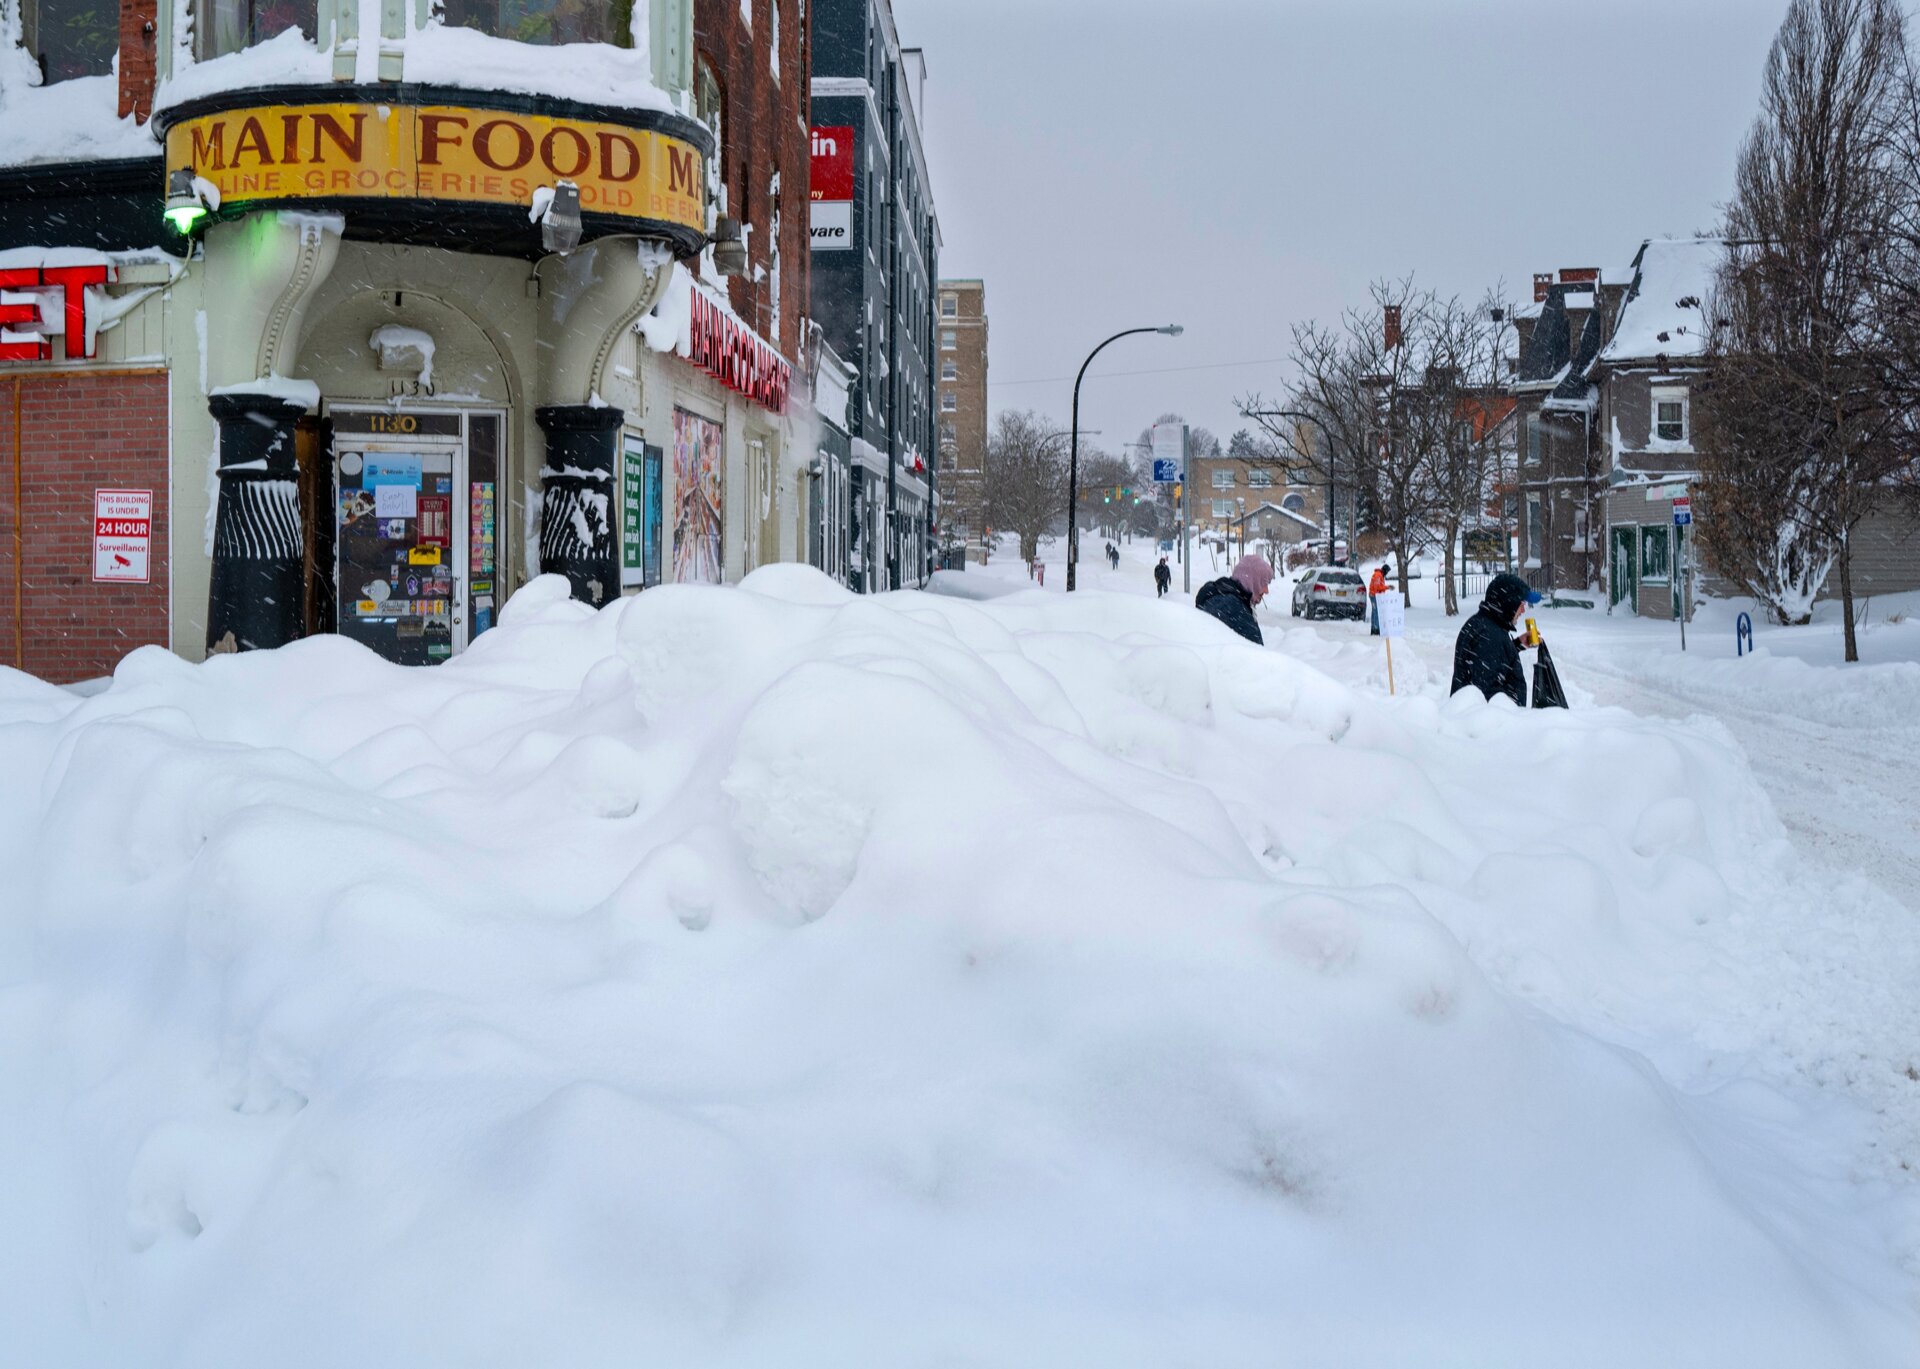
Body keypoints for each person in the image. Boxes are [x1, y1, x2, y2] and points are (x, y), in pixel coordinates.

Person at [1450, 571, 1542, 706]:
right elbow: (1487, 699)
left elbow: (1492, 662)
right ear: (1509, 602)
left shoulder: (1483, 625)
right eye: (1521, 603)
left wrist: (1516, 645)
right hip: (1495, 725)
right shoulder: (1490, 637)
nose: (1523, 610)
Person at [1195, 554, 1274, 645]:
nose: (1266, 591)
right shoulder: (1233, 609)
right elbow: (1258, 654)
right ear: (1251, 581)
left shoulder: (1219, 594)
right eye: (1264, 583)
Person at [1368, 564, 1392, 636]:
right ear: (1384, 570)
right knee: (1376, 612)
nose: (1387, 573)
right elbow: (1377, 587)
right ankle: (1376, 629)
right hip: (1374, 596)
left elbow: (1378, 586)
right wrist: (1387, 587)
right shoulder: (1378, 575)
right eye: (1387, 572)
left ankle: (1374, 628)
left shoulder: (1379, 575)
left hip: (1374, 595)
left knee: (1375, 612)